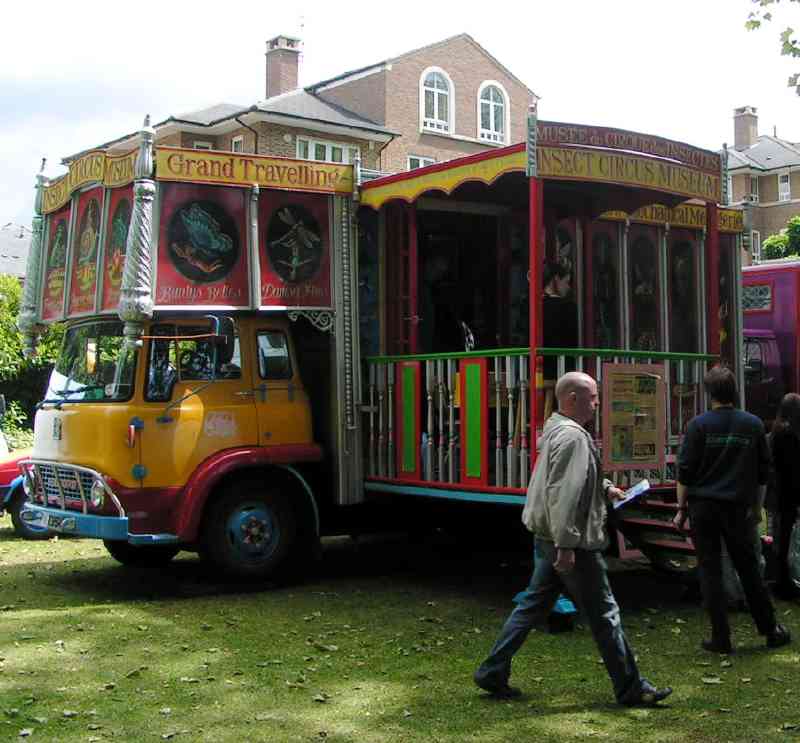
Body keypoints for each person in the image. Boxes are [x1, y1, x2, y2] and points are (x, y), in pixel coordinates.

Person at [474, 371, 672, 706]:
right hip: (571, 544)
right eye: (593, 397)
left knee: (531, 606)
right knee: (605, 614)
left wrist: (606, 489)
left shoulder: (557, 432)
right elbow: (563, 494)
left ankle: (492, 671)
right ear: (573, 399)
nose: (597, 404)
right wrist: (566, 546)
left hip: (548, 537)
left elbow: (565, 481)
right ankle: (631, 688)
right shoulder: (574, 439)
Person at [673, 365, 791, 653]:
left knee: (710, 572)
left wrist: (680, 508)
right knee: (749, 570)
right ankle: (770, 629)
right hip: (738, 509)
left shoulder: (698, 425)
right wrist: (757, 507)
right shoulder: (752, 425)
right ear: (734, 391)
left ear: (709, 392)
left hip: (703, 509)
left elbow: (685, 473)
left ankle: (720, 637)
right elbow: (764, 473)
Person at [768, 392, 800, 599]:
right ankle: (785, 581)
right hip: (789, 494)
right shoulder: (791, 435)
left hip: (777, 493)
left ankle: (780, 579)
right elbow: (794, 469)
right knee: (787, 537)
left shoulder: (775, 431)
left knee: (780, 536)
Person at [542, 262, 578, 420]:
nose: (568, 287)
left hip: (537, 370)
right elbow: (573, 341)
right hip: (562, 370)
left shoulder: (533, 304)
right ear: (556, 279)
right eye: (566, 281)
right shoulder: (568, 306)